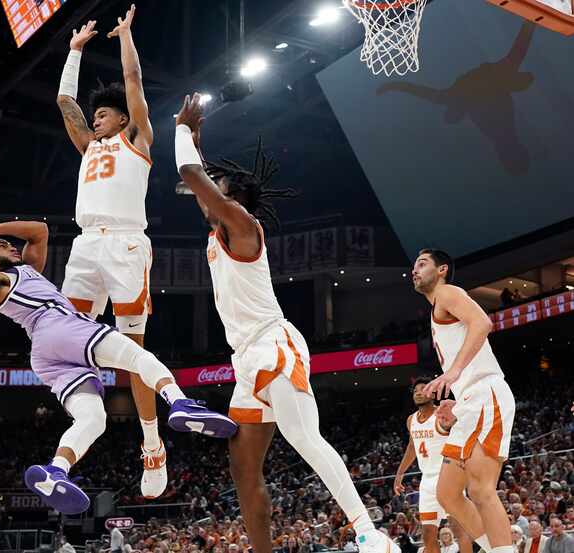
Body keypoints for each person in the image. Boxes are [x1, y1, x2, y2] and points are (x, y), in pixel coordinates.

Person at [173, 92, 399, 553]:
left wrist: (181, 132)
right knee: (242, 467)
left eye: (215, 189)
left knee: (303, 437)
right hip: (245, 359)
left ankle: (369, 533)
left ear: (229, 196)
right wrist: (196, 141)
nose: (203, 198)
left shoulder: (243, 225)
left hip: (274, 344)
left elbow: (192, 178)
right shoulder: (218, 228)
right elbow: (198, 182)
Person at [0, 218, 236, 515]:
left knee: (94, 419)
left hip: (47, 355)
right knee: (139, 357)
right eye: (1, 245)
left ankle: (56, 470)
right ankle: (179, 402)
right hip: (61, 328)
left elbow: (39, 232)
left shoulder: (26, 270)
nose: (11, 245)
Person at [55, 4, 166, 499]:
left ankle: (151, 442)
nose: (95, 118)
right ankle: (84, 428)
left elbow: (133, 79)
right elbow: (65, 103)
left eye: (104, 112)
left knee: (133, 353)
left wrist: (124, 37)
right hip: (85, 246)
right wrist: (74, 52)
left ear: (122, 118)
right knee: (68, 340)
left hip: (124, 243)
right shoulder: (89, 146)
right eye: (95, 114)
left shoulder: (138, 139)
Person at [412, 249, 516, 553]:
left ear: (442, 269)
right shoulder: (436, 312)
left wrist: (454, 373)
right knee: (448, 494)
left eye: (421, 264)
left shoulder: (447, 292)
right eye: (414, 266)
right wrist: (455, 404)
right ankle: (499, 548)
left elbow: (482, 323)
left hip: (486, 393)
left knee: (480, 490)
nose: (414, 270)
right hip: (469, 400)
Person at [393, 378, 473, 553]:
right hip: (427, 480)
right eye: (415, 391)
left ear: (433, 392)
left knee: (458, 528)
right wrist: (399, 474)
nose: (419, 392)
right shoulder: (411, 420)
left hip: (448, 476)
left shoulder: (443, 414)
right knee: (428, 534)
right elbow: (412, 447)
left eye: (423, 389)